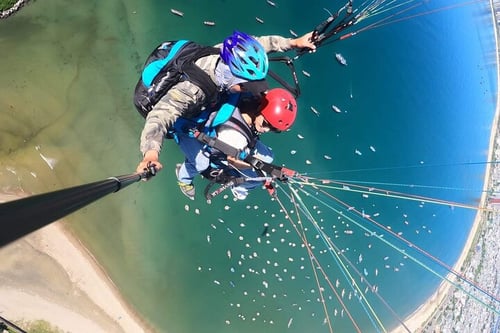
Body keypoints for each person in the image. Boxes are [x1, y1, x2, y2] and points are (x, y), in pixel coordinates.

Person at [135, 31, 315, 175]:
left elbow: (259, 44)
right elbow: (159, 117)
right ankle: (187, 163)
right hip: (179, 108)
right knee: (202, 162)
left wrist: (293, 43)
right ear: (231, 76)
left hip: (202, 85)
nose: (251, 89)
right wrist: (151, 154)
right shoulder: (191, 92)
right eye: (245, 85)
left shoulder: (225, 54)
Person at [173, 87, 297, 200]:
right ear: (260, 109)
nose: (266, 130)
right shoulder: (235, 139)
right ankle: (183, 178)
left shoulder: (251, 94)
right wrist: (258, 166)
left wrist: (265, 167)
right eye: (266, 124)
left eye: (274, 129)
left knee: (269, 157)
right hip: (193, 133)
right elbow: (233, 162)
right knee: (201, 163)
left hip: (229, 125)